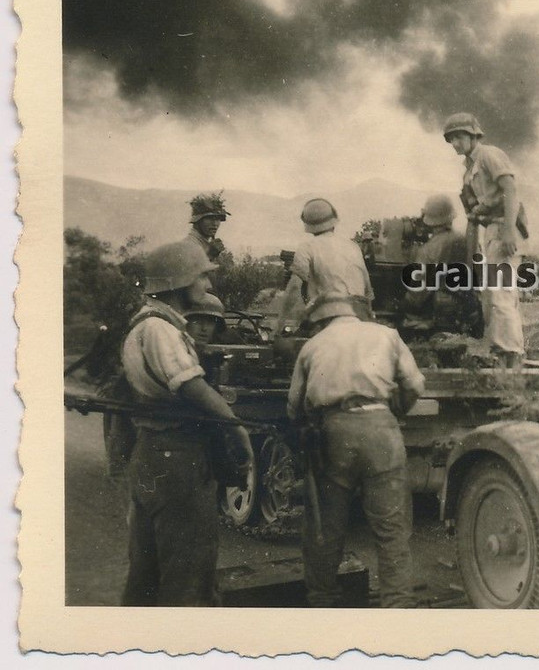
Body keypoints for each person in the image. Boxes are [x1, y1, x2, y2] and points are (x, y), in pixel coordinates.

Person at [120, 241, 254, 606]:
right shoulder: (161, 329)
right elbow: (191, 385)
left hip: (150, 451)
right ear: (179, 280)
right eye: (201, 277)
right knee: (187, 577)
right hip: (177, 458)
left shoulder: (144, 324)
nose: (208, 287)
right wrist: (235, 427)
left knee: (145, 578)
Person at [287, 302, 425, 608]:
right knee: (392, 531)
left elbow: (293, 406)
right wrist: (396, 409)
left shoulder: (312, 346)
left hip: (334, 433)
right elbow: (416, 384)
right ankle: (398, 607)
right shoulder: (386, 335)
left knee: (326, 529)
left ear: (320, 321)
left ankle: (323, 602)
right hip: (381, 430)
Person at [443, 112, 527, 368]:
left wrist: (509, 231)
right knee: (496, 294)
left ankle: (509, 354)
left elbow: (511, 190)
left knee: (500, 293)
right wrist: (481, 209)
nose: (455, 144)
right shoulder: (469, 168)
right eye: (451, 139)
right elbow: (483, 203)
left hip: (504, 229)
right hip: (492, 230)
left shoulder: (489, 155)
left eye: (459, 137)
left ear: (472, 135)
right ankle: (506, 351)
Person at [275, 198, 374, 336]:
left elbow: (294, 288)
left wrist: (279, 325)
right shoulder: (354, 247)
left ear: (307, 224)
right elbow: (368, 292)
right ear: (334, 220)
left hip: (326, 319)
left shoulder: (307, 248)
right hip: (359, 316)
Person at [404, 194, 480, 335]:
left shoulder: (428, 248)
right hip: (468, 309)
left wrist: (404, 304)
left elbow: (418, 291)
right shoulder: (465, 240)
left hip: (440, 315)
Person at [184, 192, 230, 261]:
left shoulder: (206, 244)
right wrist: (209, 255)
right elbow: (188, 270)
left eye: (218, 219)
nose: (215, 223)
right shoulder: (189, 245)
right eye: (209, 218)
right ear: (198, 220)